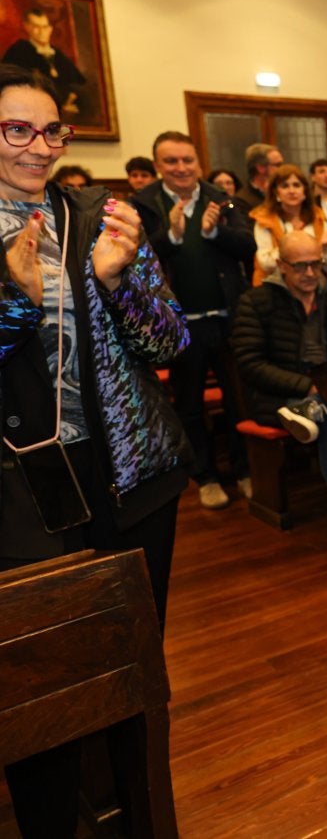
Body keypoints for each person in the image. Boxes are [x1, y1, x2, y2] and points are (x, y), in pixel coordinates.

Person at [1, 64, 189, 837]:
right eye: (17, 129)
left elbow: (168, 337)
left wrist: (119, 282)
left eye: (52, 131)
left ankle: (140, 817)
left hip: (126, 474)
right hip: (17, 494)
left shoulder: (103, 215)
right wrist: (16, 301)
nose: (38, 147)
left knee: (130, 675)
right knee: (40, 690)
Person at [131, 130, 255, 509]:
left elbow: (247, 246)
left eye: (188, 160)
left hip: (226, 316)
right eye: (172, 161)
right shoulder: (143, 204)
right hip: (180, 326)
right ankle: (205, 476)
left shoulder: (222, 199)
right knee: (190, 404)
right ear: (158, 166)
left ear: (198, 163)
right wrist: (170, 234)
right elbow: (135, 259)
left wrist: (214, 232)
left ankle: (245, 470)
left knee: (239, 400)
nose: (181, 168)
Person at [231, 231, 327, 543]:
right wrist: (307, 386)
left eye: (316, 264)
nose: (311, 273)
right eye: (301, 266)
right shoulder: (257, 301)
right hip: (279, 394)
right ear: (281, 265)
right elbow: (250, 363)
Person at [248, 163, 327, 286]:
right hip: (274, 286)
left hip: (315, 285)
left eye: (296, 185)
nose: (292, 191)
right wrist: (300, 246)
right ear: (276, 193)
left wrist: (324, 248)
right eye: (285, 186)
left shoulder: (318, 217)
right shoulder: (264, 219)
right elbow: (265, 263)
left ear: (304, 191)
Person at [2, 8, 86, 117]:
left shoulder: (59, 55)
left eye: (45, 27)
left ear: (50, 29)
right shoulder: (19, 50)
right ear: (27, 27)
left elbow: (78, 84)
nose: (41, 32)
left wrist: (70, 99)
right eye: (36, 27)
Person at [235, 142, 283, 211]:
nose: (283, 169)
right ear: (261, 168)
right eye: (278, 165)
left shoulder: (283, 193)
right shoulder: (242, 201)